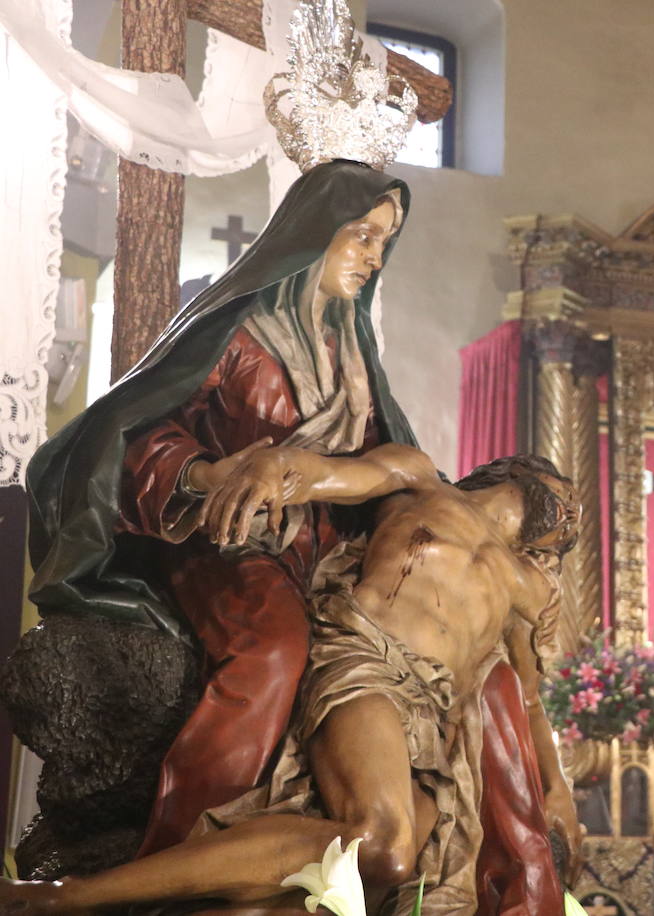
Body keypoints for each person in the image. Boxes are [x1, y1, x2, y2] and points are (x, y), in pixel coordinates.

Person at [24, 160, 420, 855]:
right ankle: (183, 858)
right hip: (233, 545)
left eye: (384, 242)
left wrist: (311, 475)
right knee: (270, 653)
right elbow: (135, 434)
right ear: (314, 233)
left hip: (333, 555)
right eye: (362, 236)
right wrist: (209, 473)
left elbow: (400, 462)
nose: (373, 256)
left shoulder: (355, 347)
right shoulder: (235, 331)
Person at [1, 448, 582, 916]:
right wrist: (275, 474)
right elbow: (333, 474)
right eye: (566, 496)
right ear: (518, 472)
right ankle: (66, 897)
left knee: (372, 884)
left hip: (434, 725)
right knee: (382, 840)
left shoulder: (534, 591)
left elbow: (528, 699)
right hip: (369, 663)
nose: (574, 514)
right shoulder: (422, 481)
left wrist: (556, 789)